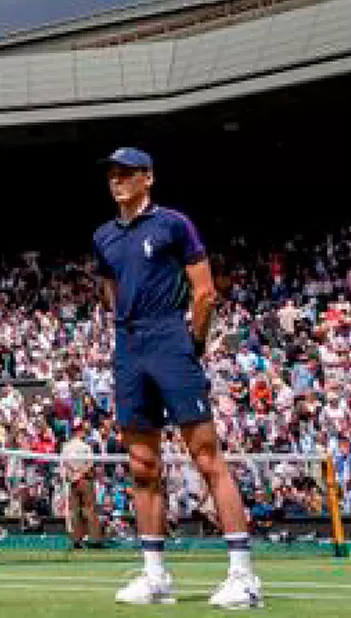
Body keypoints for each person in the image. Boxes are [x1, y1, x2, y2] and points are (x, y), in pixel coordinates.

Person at [91, 148, 262, 608]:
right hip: (128, 347)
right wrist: (125, 328)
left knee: (207, 456)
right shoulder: (103, 236)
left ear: (148, 178)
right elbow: (111, 292)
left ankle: (244, 577)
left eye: (126, 173)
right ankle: (155, 577)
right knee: (142, 465)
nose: (117, 180)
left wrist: (194, 343)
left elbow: (204, 292)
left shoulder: (174, 224)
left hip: (170, 337)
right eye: (112, 174)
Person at [60, 422, 103, 547]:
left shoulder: (66, 447)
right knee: (89, 510)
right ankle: (95, 539)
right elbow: (89, 464)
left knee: (75, 511)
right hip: (84, 480)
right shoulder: (86, 447)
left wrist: (73, 475)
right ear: (79, 432)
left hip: (73, 481)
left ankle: (76, 539)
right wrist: (80, 474)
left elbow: (64, 464)